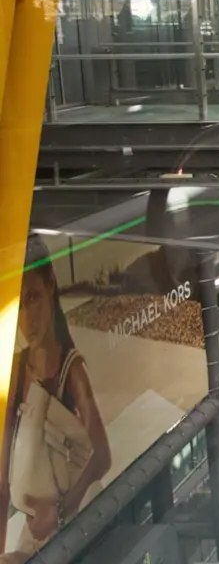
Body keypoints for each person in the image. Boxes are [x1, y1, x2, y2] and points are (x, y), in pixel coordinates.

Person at [1, 236, 112, 558]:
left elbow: (102, 456)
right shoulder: (15, 370)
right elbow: (2, 480)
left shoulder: (71, 370)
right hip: (32, 534)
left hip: (73, 526)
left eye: (33, 298)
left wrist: (61, 513)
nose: (27, 317)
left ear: (51, 288)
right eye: (18, 304)